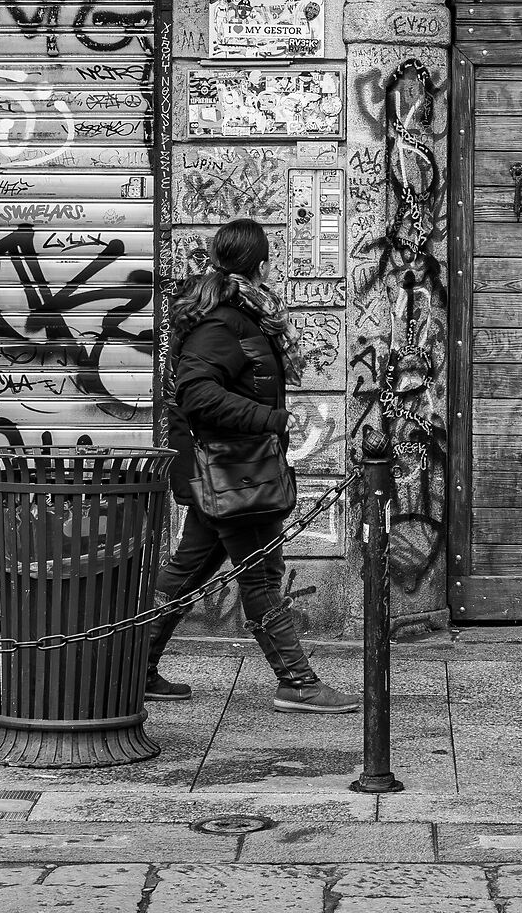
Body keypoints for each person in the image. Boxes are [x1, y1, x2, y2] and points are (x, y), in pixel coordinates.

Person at [145, 218, 357, 713]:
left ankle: (130, 667)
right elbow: (196, 396)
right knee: (260, 578)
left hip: (232, 475)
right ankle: (298, 683)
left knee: (186, 573)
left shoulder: (239, 316)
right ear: (263, 264)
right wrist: (274, 418)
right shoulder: (223, 322)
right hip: (234, 474)